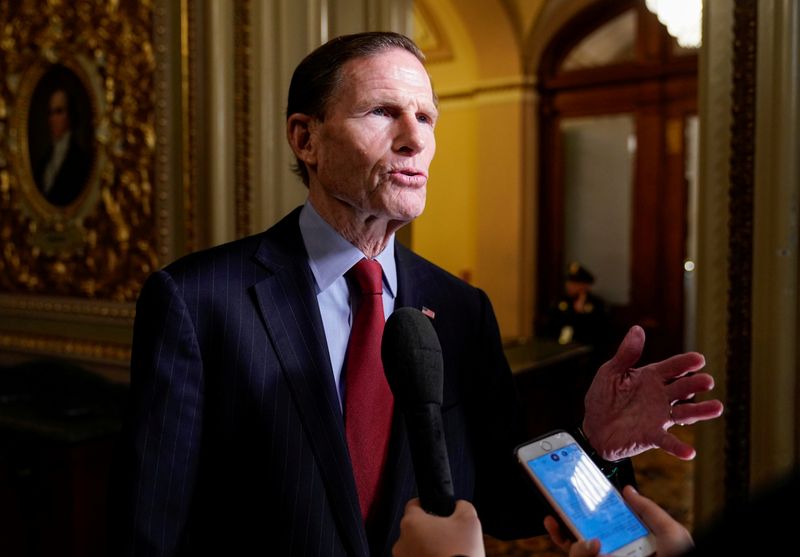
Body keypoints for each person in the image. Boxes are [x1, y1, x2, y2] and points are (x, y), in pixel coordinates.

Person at [108, 31, 722, 556]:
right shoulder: (196, 300)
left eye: (426, 117)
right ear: (306, 139)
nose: (415, 139)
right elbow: (151, 531)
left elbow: (503, 507)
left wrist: (600, 445)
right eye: (382, 112)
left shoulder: (460, 309)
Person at [32, 86, 92, 206]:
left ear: (70, 115)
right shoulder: (44, 162)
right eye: (50, 113)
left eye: (59, 112)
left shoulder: (82, 160)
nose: (53, 119)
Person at [543, 262, 611, 350]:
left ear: (585, 285)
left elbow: (600, 334)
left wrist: (581, 313)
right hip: (557, 349)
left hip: (585, 352)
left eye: (575, 283)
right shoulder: (560, 301)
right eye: (569, 281)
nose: (569, 285)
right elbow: (550, 328)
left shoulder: (597, 304)